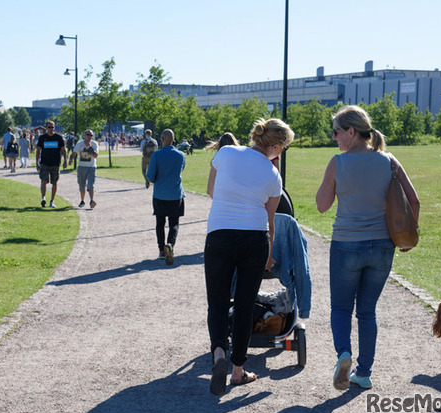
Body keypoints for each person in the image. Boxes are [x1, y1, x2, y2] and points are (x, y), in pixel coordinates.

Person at [315, 105, 420, 391]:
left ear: (351, 131)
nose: (334, 138)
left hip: (347, 244)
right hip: (383, 246)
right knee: (367, 312)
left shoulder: (338, 162)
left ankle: (343, 354)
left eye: (336, 132)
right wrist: (408, 238)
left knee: (340, 308)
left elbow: (322, 206)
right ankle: (364, 373)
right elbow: (414, 202)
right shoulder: (389, 160)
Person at [205, 119, 294, 396]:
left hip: (219, 234)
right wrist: (268, 255)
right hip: (253, 239)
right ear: (276, 146)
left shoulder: (227, 152)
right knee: (244, 305)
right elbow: (270, 221)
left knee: (218, 302)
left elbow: (211, 191)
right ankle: (238, 371)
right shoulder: (272, 174)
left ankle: (219, 352)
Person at [146, 129, 185, 265]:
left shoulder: (156, 155)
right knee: (174, 223)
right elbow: (181, 169)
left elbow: (150, 176)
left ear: (162, 140)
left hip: (160, 195)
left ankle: (162, 250)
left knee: (160, 223)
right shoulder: (181, 155)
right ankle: (170, 244)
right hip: (175, 194)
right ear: (173, 140)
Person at [36, 121, 67, 208]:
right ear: (46, 128)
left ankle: (52, 201)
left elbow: (64, 150)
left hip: (55, 164)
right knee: (44, 181)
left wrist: (65, 161)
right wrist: (37, 163)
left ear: (54, 128)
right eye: (49, 127)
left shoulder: (58, 137)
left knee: (54, 182)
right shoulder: (42, 138)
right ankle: (43, 198)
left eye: (52, 127)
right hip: (44, 163)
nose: (51, 129)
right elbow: (38, 151)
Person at [69, 129, 99, 208]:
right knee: (82, 185)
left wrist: (90, 147)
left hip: (91, 167)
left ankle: (92, 200)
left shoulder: (94, 144)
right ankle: (82, 200)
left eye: (91, 135)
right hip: (81, 166)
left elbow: (96, 155)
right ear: (84, 135)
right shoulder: (79, 144)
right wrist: (70, 159)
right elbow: (74, 153)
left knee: (90, 184)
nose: (89, 137)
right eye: (88, 135)